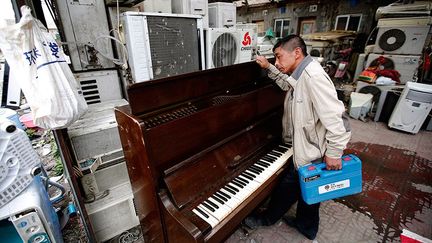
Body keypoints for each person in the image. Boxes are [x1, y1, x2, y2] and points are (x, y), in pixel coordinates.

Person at [244, 34, 351, 240]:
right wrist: (269, 68)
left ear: (297, 52)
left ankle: (267, 219)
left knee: (287, 189)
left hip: (312, 153)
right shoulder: (301, 73)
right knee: (309, 192)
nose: (277, 62)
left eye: (278, 57)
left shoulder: (313, 77)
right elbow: (287, 84)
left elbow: (339, 119)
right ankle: (306, 227)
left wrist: (335, 153)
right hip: (309, 148)